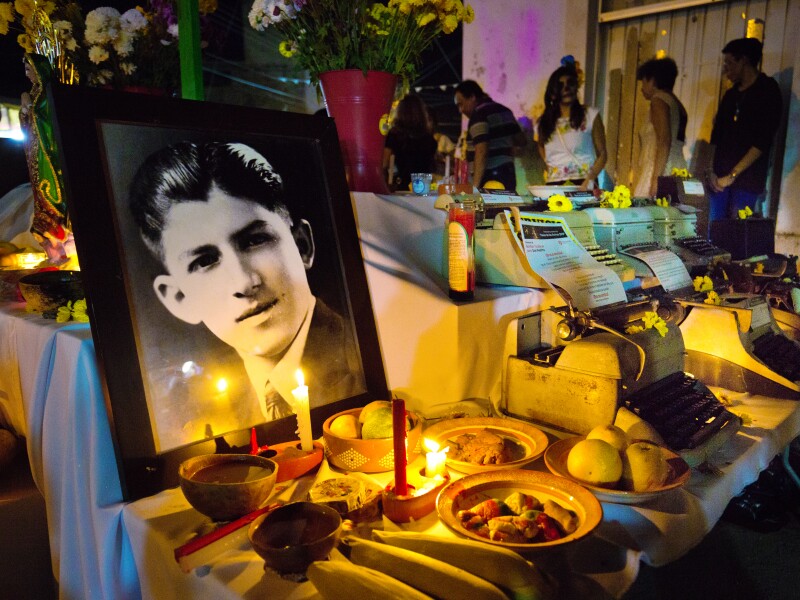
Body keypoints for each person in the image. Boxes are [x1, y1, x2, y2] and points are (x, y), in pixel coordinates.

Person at [128, 141, 361, 425]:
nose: (243, 281)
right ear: (180, 299)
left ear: (302, 246)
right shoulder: (201, 419)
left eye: (255, 240)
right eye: (204, 262)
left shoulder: (366, 372)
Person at [707, 38, 782, 222]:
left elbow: (762, 140)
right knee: (711, 231)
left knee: (737, 235)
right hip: (718, 180)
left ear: (745, 61)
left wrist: (732, 175)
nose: (726, 69)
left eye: (730, 63)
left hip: (747, 181)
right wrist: (710, 170)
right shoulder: (731, 95)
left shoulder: (767, 90)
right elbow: (716, 136)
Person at [536, 61, 607, 191]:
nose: (566, 89)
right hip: (554, 184)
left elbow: (602, 154)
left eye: (570, 83)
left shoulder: (590, 115)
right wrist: (550, 165)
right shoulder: (544, 122)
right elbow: (541, 145)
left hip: (583, 183)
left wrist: (590, 179)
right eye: (560, 85)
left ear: (576, 86)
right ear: (553, 93)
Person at [454, 80, 525, 191]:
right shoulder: (505, 111)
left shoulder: (479, 115)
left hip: (489, 176)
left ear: (472, 97)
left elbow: (481, 151)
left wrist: (475, 188)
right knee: (507, 207)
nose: (461, 110)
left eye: (461, 104)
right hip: (508, 172)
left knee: (491, 208)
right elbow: (521, 140)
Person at [633, 57, 688, 198]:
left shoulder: (659, 101)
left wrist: (656, 180)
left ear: (653, 81)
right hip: (677, 167)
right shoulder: (676, 102)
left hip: (660, 168)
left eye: (644, 82)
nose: (642, 88)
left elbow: (664, 140)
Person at [382, 93, 437, 191]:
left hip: (399, 186)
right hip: (422, 187)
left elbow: (384, 164)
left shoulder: (395, 135)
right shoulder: (429, 138)